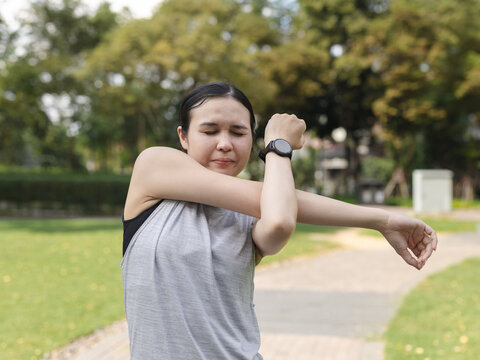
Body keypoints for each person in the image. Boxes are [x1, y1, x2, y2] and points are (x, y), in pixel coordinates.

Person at [121, 82, 438, 360]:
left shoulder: (258, 211)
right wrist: (279, 146)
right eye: (209, 130)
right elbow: (281, 206)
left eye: (238, 132)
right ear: (184, 136)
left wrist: (382, 220)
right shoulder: (154, 165)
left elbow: (280, 222)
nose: (225, 143)